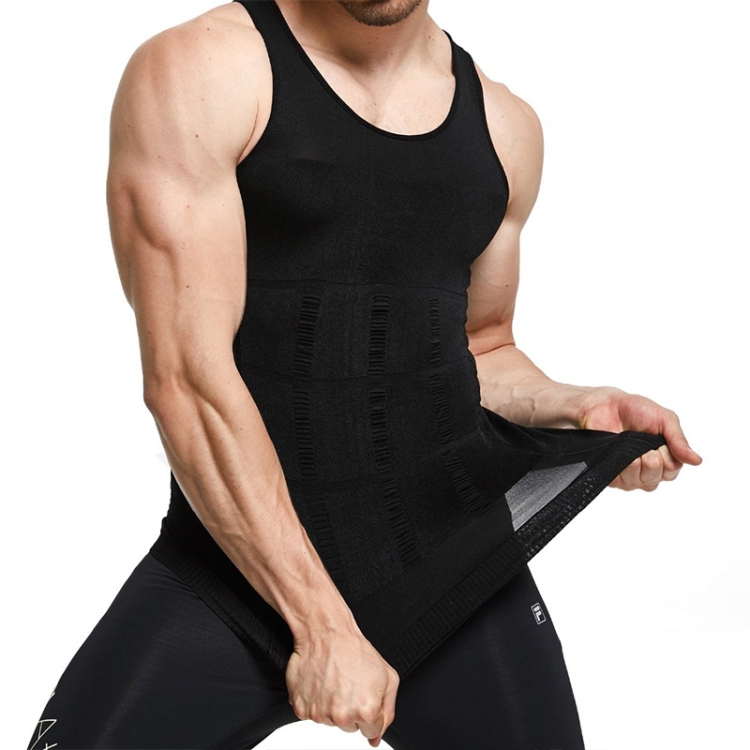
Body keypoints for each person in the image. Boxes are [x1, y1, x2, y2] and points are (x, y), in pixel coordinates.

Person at [26, 1, 702, 749]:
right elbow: (186, 379)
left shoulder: (506, 127)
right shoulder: (204, 71)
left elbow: (481, 349)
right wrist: (321, 626)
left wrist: (578, 406)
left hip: (448, 574)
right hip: (230, 577)